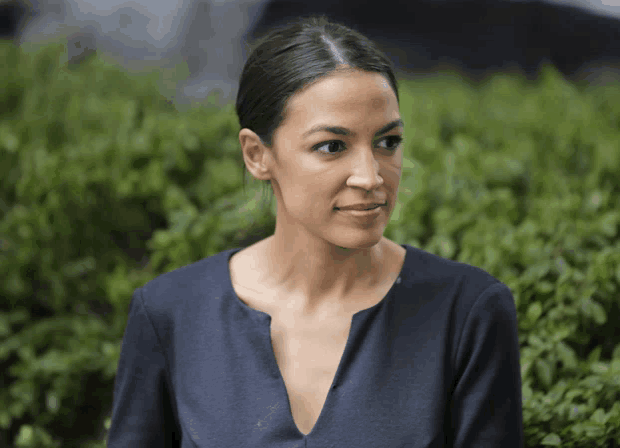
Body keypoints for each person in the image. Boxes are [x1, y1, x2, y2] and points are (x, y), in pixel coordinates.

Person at [106, 14, 524, 447]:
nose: (370, 176)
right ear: (256, 155)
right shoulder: (171, 314)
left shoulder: (468, 311)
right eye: (331, 146)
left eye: (388, 142)